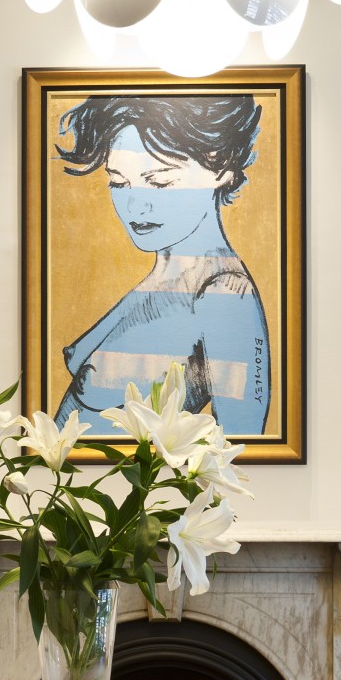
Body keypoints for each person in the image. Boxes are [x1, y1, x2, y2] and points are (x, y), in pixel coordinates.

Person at [52, 92, 271, 436]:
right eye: (118, 181)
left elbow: (243, 447)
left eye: (160, 181)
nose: (136, 205)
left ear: (221, 168)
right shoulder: (166, 276)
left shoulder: (224, 293)